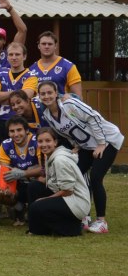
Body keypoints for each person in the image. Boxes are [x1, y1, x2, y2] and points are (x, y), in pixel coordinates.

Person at [37, 81, 122, 234]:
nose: (46, 96)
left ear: (57, 93)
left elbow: (94, 117)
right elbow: (67, 132)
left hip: (107, 139)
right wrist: (76, 144)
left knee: (96, 177)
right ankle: (84, 215)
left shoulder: (69, 103)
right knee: (77, 173)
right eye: (43, 93)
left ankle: (102, 221)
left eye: (50, 92)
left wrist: (102, 143)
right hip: (87, 145)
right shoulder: (47, 115)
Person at [27, 128, 91, 236]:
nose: (44, 144)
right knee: (34, 187)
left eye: (48, 141)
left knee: (36, 206)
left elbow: (68, 191)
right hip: (67, 196)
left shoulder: (59, 160)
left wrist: (44, 200)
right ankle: (39, 229)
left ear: (55, 142)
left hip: (77, 202)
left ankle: (70, 228)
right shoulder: (50, 155)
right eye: (40, 141)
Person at [0, 117, 41, 226]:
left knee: (41, 178)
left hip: (36, 182)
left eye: (19, 130)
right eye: (12, 131)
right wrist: (8, 191)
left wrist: (24, 173)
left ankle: (33, 209)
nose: (16, 134)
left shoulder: (37, 141)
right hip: (18, 183)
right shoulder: (5, 145)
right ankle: (18, 207)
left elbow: (44, 169)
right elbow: (5, 172)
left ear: (27, 130)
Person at [0, 42, 34, 136]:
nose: (14, 57)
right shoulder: (1, 75)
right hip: (1, 122)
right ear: (7, 57)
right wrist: (17, 93)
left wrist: (2, 97)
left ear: (24, 56)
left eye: (17, 54)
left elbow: (26, 96)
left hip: (21, 121)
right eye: (11, 54)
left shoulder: (31, 76)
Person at [22, 31, 83, 97]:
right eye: (43, 44)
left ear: (55, 46)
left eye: (50, 44)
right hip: (38, 107)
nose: (46, 46)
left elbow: (78, 97)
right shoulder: (31, 69)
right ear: (39, 46)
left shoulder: (68, 67)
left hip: (60, 106)